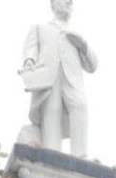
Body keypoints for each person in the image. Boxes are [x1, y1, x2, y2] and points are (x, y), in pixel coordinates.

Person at [20, 0, 98, 157]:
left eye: (71, 2)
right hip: (49, 79)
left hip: (72, 80)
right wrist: (29, 62)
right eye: (65, 0)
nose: (69, 3)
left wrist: (84, 45)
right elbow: (30, 49)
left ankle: (80, 156)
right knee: (52, 113)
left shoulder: (75, 36)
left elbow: (93, 66)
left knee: (80, 106)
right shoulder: (40, 28)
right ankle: (52, 155)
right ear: (53, 4)